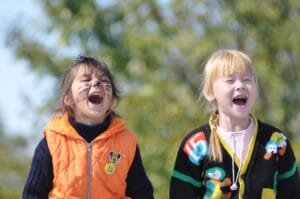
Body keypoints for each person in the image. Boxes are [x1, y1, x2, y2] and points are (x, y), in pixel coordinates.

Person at [169, 49, 300, 199]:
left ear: (256, 89)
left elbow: (292, 193)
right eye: (230, 80)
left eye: (247, 80)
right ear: (210, 92)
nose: (240, 85)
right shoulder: (195, 145)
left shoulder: (276, 141)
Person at [23, 55, 154, 199]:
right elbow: (33, 194)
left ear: (111, 101)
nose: (97, 82)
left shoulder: (126, 142)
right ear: (68, 99)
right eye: (86, 80)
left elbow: (142, 193)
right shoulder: (53, 141)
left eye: (104, 81)